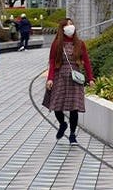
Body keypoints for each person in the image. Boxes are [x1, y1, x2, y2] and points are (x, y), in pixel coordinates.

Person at [42, 17, 93, 145]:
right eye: (67, 25)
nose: (70, 27)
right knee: (56, 105)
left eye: (72, 24)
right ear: (62, 28)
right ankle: (62, 124)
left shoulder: (80, 44)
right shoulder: (56, 44)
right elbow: (52, 62)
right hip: (60, 76)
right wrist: (50, 78)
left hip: (74, 78)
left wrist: (90, 78)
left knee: (74, 108)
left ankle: (72, 135)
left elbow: (86, 61)